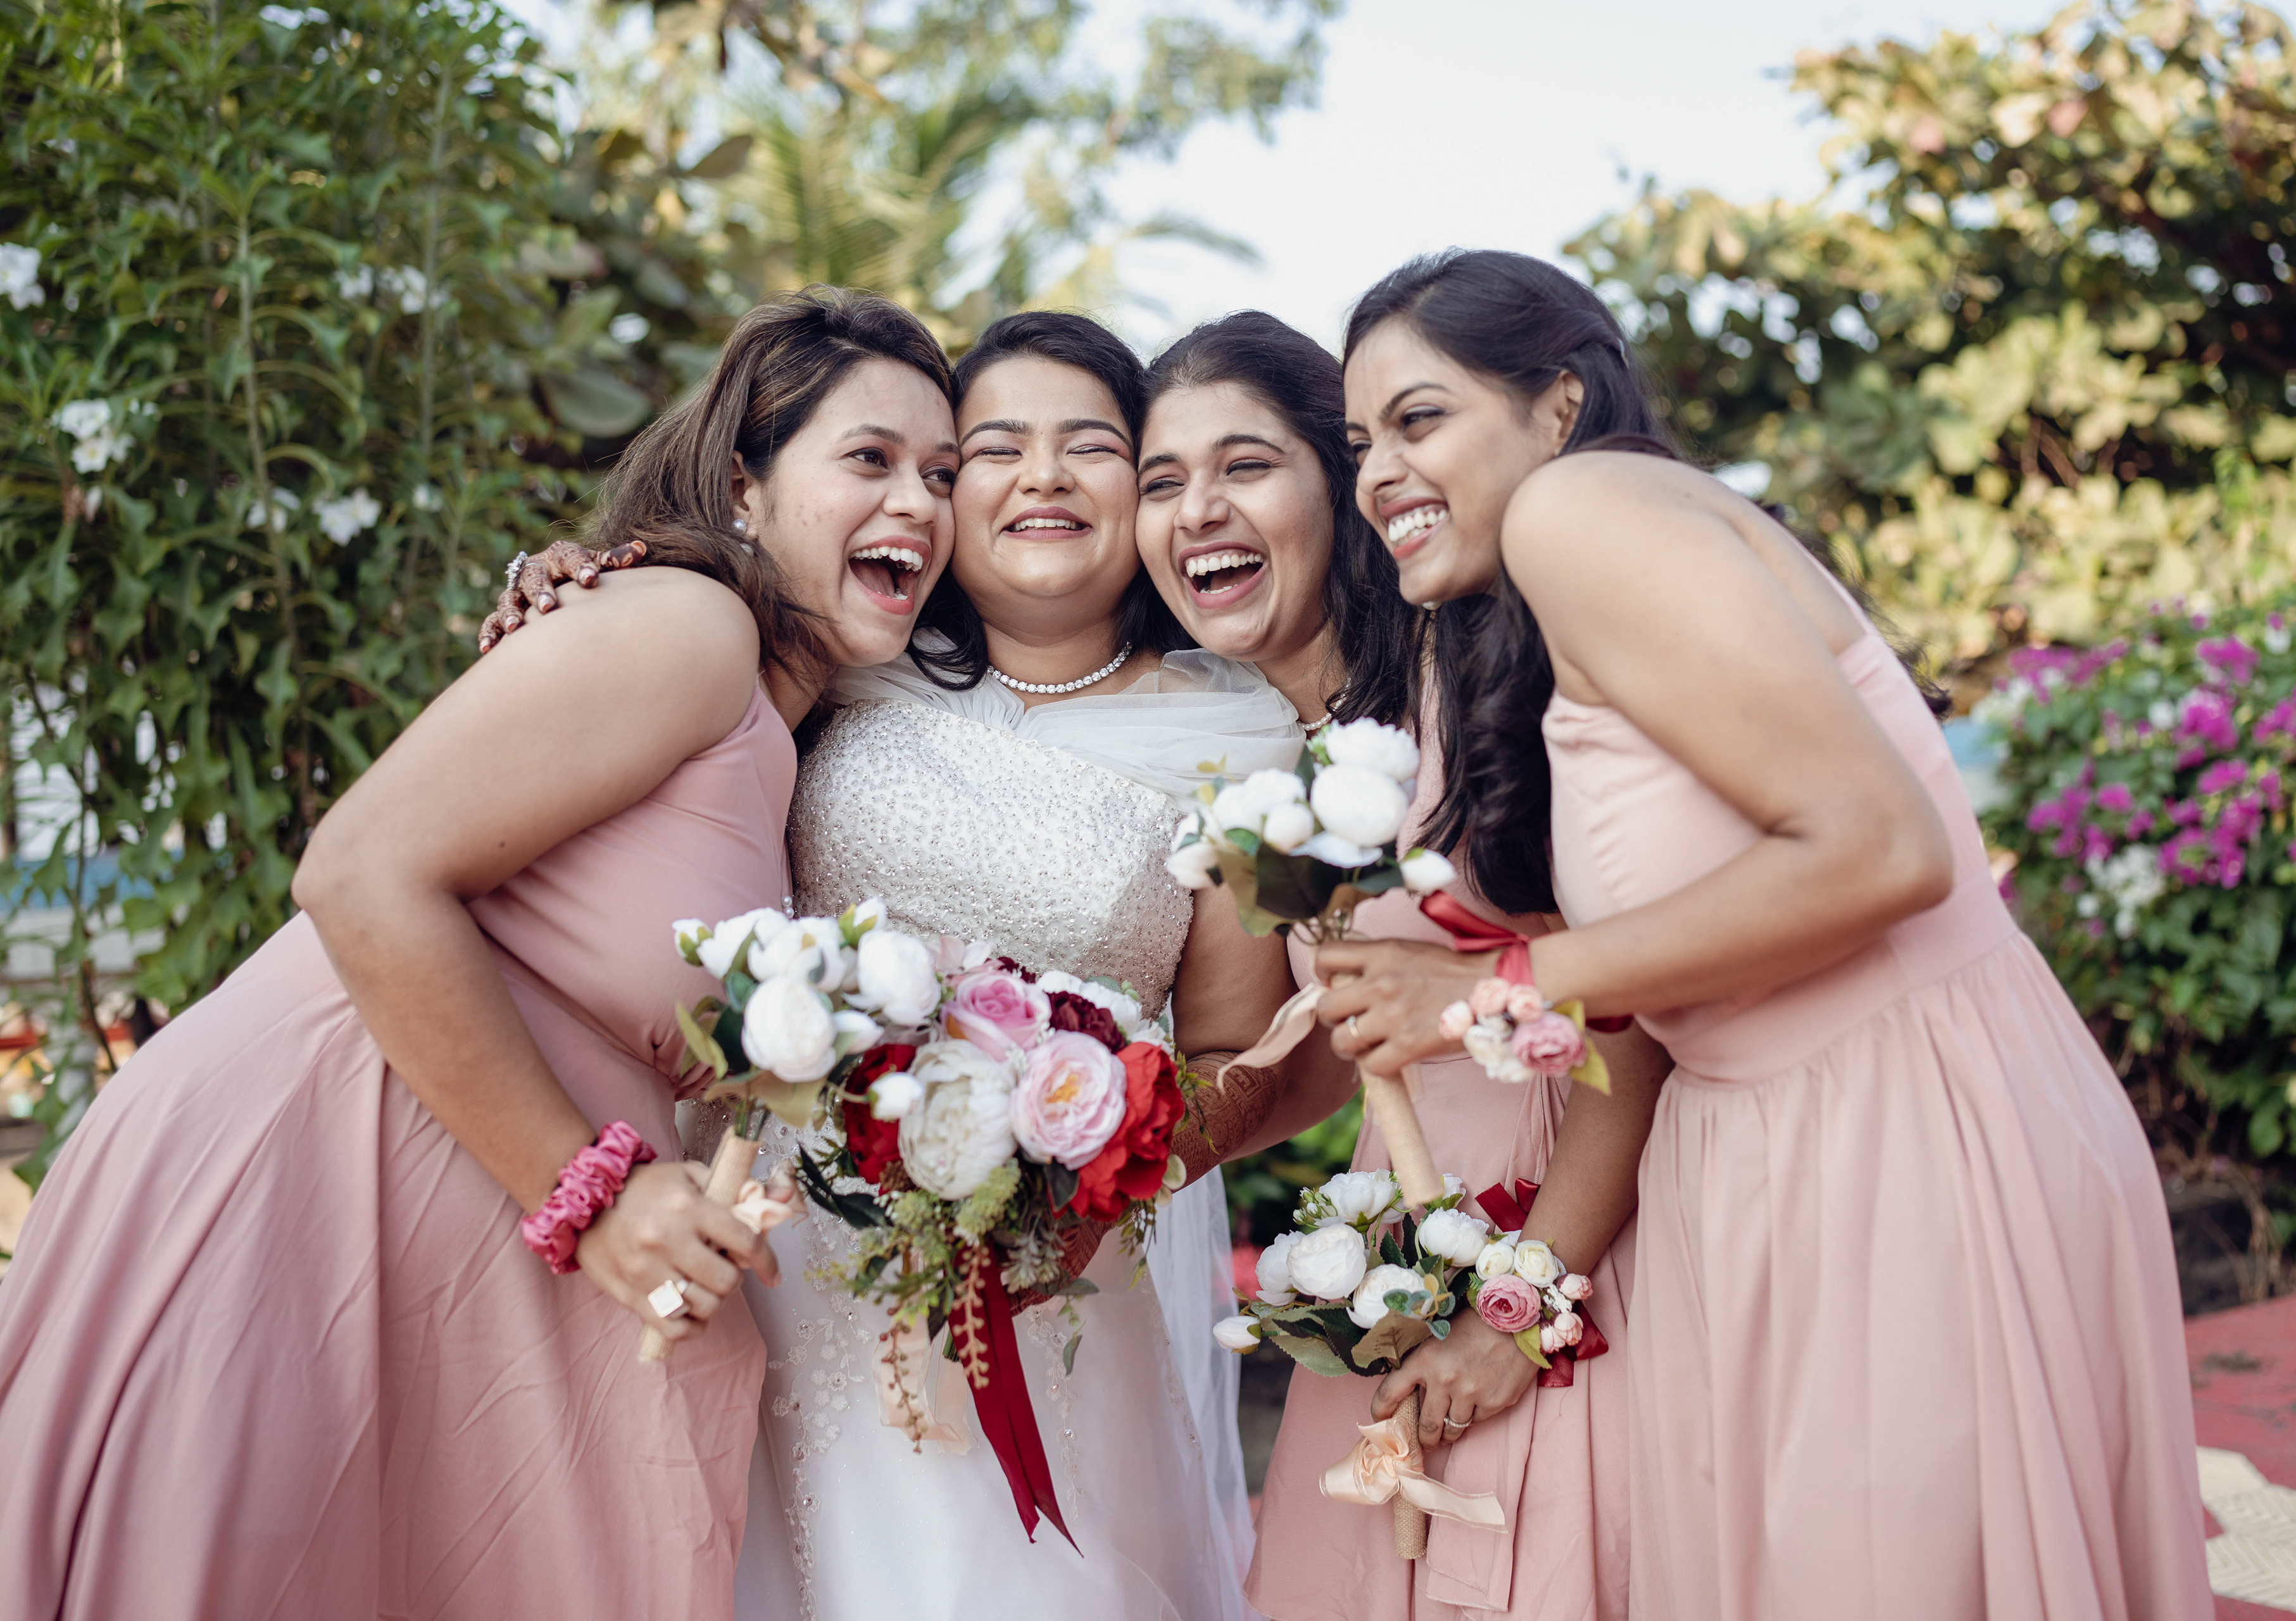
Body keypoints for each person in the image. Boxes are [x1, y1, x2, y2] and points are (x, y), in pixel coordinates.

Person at [0, 287, 963, 1621]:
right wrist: (591, 1193)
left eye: (943, 474)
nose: (919, 501)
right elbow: (358, 872)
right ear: (745, 484)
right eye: (871, 458)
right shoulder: (691, 626)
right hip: (314, 1165)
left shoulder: (774, 725)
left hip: (447, 1227)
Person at [1310, 250, 2212, 1621]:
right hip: (1777, 1150)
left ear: (1559, 405)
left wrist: (1494, 984)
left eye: (1419, 419)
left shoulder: (1581, 509)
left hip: (1893, 1136)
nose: (1379, 474)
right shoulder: (1562, 578)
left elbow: (1882, 848)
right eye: (1359, 442)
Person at [492, 310, 1305, 1620]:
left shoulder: (1243, 734)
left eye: (1092, 445)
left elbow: (1229, 1052)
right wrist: (580, 579)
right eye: (994, 448)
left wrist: (1096, 1177)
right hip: (761, 1233)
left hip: (1034, 1271)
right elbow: (661, 685)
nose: (1042, 476)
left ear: (1145, 490)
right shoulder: (836, 655)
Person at [1136, 309, 1667, 1620]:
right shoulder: (1286, 750)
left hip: (1572, 1232)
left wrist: (1519, 1308)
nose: (1198, 509)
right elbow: (1323, 1060)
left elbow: (1632, 1016)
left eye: (1246, 465)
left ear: (1343, 484)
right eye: (1161, 480)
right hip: (1405, 1256)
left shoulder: (1479, 685)